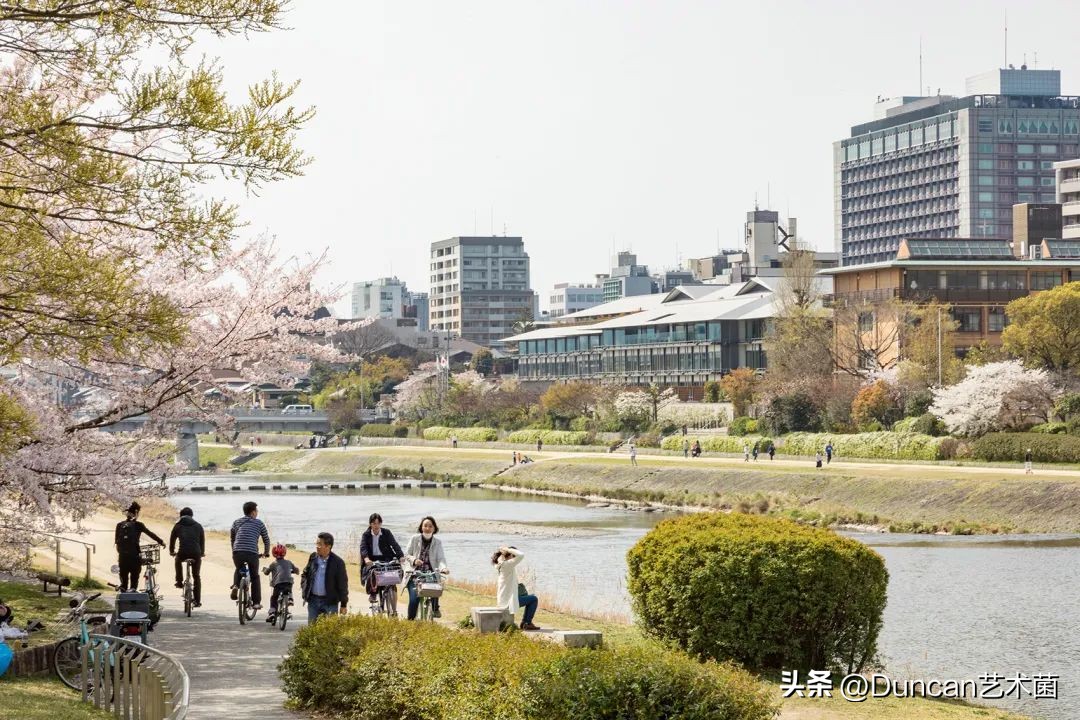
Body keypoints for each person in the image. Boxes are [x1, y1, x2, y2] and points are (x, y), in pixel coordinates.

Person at [404, 516, 448, 620]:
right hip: (414, 574)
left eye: (430, 526)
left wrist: (443, 568)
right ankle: (410, 622)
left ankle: (435, 608)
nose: (427, 528)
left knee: (435, 590)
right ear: (421, 527)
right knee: (414, 600)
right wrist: (414, 560)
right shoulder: (414, 539)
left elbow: (441, 558)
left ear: (434, 528)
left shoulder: (438, 542)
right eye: (425, 525)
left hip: (430, 574)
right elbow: (407, 554)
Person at [114, 502, 165, 592]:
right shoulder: (139, 525)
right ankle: (133, 601)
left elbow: (117, 543)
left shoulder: (119, 525)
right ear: (136, 512)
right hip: (135, 558)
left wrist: (122, 553)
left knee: (124, 585)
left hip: (122, 558)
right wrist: (161, 542)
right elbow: (150, 534)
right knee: (134, 584)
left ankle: (123, 602)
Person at [360, 513, 405, 615]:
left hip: (387, 558)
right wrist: (366, 559)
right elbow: (363, 548)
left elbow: (394, 545)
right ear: (370, 524)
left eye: (378, 523)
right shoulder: (366, 535)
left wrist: (400, 556)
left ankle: (394, 610)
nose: (376, 525)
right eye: (374, 523)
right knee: (373, 573)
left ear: (381, 523)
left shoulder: (386, 532)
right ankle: (373, 593)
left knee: (393, 578)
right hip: (372, 559)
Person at [230, 501, 271, 610]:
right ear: (253, 512)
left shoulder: (236, 522)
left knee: (239, 568)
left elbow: (233, 538)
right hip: (252, 552)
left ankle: (235, 585)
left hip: (237, 551)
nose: (257, 513)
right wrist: (266, 552)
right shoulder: (259, 523)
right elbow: (266, 539)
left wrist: (234, 550)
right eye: (256, 511)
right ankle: (256, 602)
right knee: (255, 577)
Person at [301, 532, 349, 622]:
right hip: (313, 602)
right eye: (316, 543)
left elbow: (343, 584)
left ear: (328, 546)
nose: (317, 546)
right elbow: (305, 574)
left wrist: (343, 604)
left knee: (329, 632)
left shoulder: (338, 562)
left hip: (330, 603)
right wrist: (305, 589)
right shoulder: (313, 557)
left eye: (320, 544)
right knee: (312, 631)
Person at [492, 546, 539, 631]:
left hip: (503, 600)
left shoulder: (500, 565)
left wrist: (503, 553)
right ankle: (526, 623)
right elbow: (521, 555)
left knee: (530, 597)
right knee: (534, 599)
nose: (514, 558)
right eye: (513, 555)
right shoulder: (507, 565)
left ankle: (526, 622)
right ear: (509, 556)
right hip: (507, 603)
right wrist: (508, 550)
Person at [169, 507, 205, 607]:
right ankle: (197, 601)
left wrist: (172, 551)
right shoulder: (198, 526)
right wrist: (202, 553)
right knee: (196, 576)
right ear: (192, 515)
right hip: (196, 553)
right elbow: (202, 541)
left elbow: (172, 540)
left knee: (177, 559)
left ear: (181, 515)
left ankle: (179, 581)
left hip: (183, 553)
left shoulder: (178, 525)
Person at [263, 544, 300, 623]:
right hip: (288, 582)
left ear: (273, 554)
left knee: (274, 597)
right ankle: (290, 599)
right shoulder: (289, 562)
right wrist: (296, 571)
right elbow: (297, 571)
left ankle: (272, 613)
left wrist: (265, 570)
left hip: (278, 583)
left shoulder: (273, 564)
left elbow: (267, 572)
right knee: (289, 588)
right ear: (284, 553)